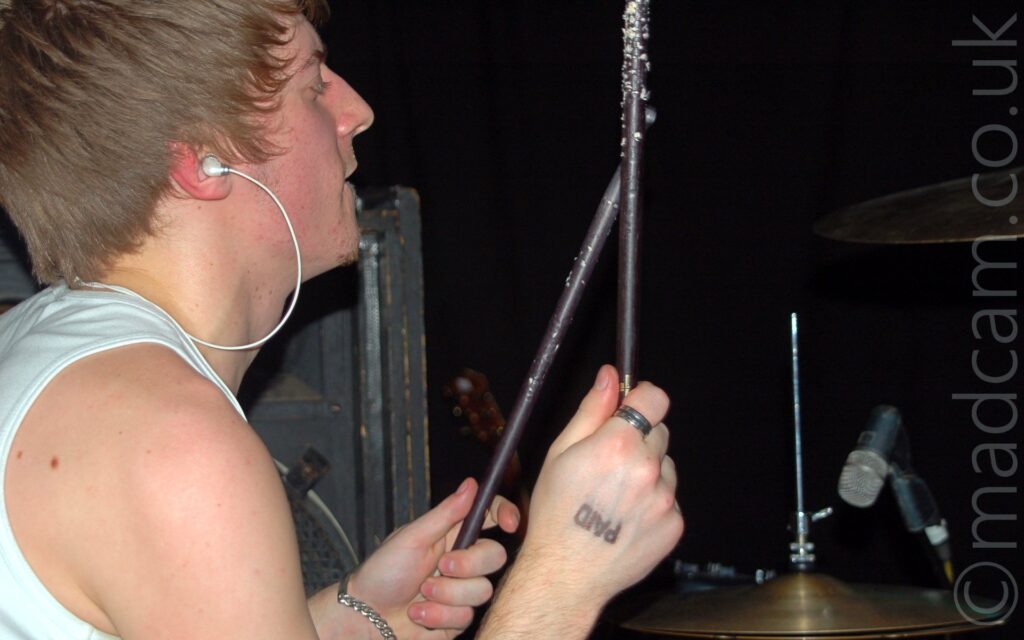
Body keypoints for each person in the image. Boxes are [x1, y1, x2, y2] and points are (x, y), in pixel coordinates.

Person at [0, 1, 684, 638]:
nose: (355, 110)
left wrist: (355, 613)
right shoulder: (174, 444)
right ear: (202, 161)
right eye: (312, 83)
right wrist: (563, 581)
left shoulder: (40, 340)